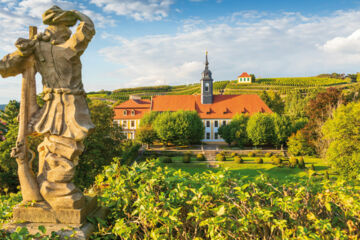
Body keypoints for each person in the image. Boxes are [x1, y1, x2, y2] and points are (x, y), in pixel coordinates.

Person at [0, 6, 95, 209]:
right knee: (51, 147)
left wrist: (76, 13)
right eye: (61, 27)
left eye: (65, 28)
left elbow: (86, 29)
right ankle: (51, 189)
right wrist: (21, 51)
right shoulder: (40, 47)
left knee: (66, 148)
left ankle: (56, 188)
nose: (65, 32)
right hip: (53, 106)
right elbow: (5, 68)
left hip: (71, 105)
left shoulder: (69, 47)